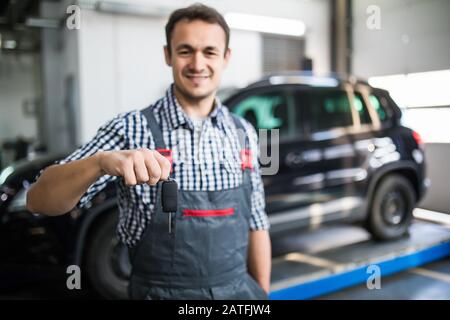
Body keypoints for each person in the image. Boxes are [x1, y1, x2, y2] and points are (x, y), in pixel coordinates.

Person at [27, 3, 271, 300]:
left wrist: (262, 295)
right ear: (167, 54)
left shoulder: (243, 132)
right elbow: (39, 200)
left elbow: (256, 223)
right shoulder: (131, 130)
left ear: (226, 57)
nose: (197, 63)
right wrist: (102, 162)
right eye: (185, 51)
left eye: (209, 51)